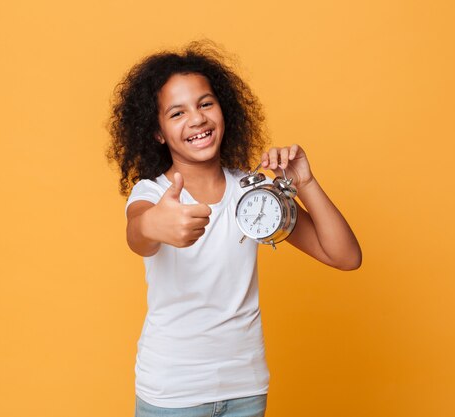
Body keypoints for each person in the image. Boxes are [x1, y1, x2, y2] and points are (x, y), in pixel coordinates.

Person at [107, 40, 362, 417]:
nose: (196, 119)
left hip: (246, 388)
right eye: (177, 113)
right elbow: (138, 236)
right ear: (158, 132)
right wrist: (154, 224)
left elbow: (345, 256)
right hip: (173, 392)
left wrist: (304, 182)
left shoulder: (254, 192)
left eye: (205, 103)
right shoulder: (154, 193)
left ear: (224, 108)